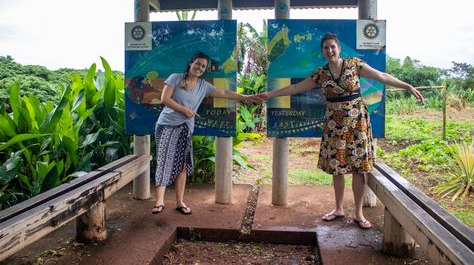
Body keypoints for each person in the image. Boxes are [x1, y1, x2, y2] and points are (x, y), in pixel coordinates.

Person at [256, 33, 424, 229]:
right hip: (334, 125)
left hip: (357, 124)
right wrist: (269, 94)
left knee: (358, 168)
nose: (330, 51)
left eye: (332, 47)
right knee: (337, 167)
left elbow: (381, 76)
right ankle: (338, 209)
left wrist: (407, 86)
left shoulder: (354, 64)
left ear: (339, 48)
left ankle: (359, 213)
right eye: (326, 48)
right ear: (322, 51)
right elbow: (295, 88)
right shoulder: (321, 74)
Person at [152, 51, 257, 215]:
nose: (199, 68)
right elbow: (164, 99)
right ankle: (159, 201)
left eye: (203, 66)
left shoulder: (204, 86)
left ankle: (179, 202)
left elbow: (224, 93)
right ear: (190, 63)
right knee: (164, 161)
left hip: (186, 127)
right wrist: (185, 110)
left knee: (182, 165)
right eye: (197, 64)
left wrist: (245, 97)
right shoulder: (175, 78)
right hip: (167, 124)